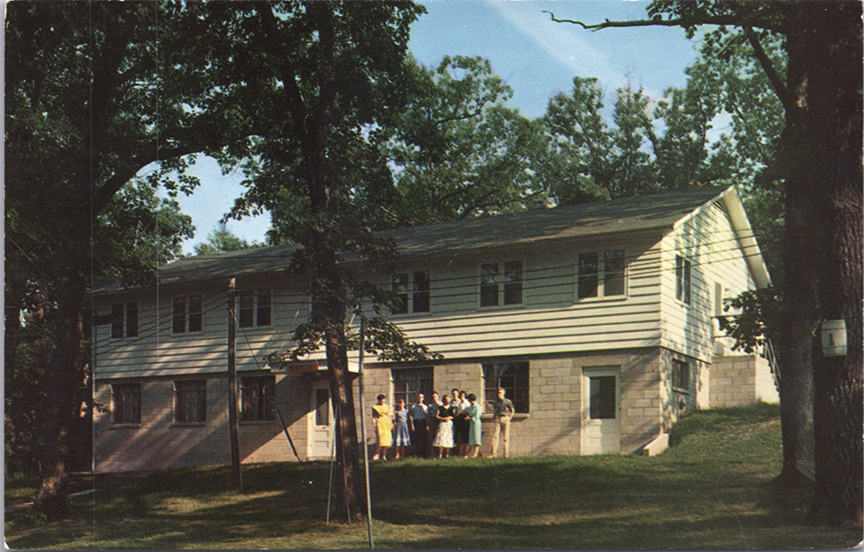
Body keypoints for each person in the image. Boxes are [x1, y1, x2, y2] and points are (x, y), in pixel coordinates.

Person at [490, 387, 514, 458]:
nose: (499, 394)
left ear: (503, 393)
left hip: (505, 418)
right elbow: (495, 410)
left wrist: (509, 418)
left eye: (500, 393)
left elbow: (512, 410)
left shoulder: (507, 401)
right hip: (498, 418)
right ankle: (493, 453)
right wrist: (494, 417)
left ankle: (506, 454)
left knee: (505, 437)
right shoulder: (495, 402)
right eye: (498, 393)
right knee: (495, 436)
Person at [372, 394, 392, 460]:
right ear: (378, 400)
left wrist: (390, 423)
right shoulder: (375, 407)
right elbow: (373, 417)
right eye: (381, 400)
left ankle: (383, 455)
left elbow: (389, 415)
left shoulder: (386, 406)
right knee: (380, 440)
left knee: (386, 441)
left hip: (386, 422)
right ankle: (376, 454)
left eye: (383, 400)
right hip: (380, 422)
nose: (382, 401)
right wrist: (374, 426)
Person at [409, 393, 429, 458]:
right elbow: (410, 416)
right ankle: (416, 454)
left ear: (423, 398)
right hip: (416, 422)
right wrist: (412, 425)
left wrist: (427, 425)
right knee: (416, 439)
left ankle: (423, 454)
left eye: (421, 397)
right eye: (419, 397)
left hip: (423, 422)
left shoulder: (425, 407)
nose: (420, 398)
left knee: (423, 439)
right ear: (417, 398)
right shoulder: (413, 407)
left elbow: (427, 416)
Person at [465, 393, 482, 457]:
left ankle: (475, 453)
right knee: (472, 437)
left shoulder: (477, 406)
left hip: (476, 423)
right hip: (471, 423)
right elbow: (467, 411)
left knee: (476, 437)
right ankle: (468, 453)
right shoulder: (470, 406)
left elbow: (477, 416)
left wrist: (470, 418)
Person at [455, 390, 470, 457]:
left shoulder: (467, 403)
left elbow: (468, 411)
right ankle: (459, 453)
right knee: (460, 436)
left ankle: (465, 453)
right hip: (460, 419)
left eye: (462, 396)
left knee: (465, 437)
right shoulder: (459, 403)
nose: (461, 397)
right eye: (460, 396)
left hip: (465, 419)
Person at [426, 391, 441, 457]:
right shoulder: (430, 406)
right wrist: (427, 424)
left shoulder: (441, 405)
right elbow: (427, 415)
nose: (434, 398)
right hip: (432, 421)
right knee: (432, 437)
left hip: (440, 421)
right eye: (433, 397)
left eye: (435, 396)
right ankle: (432, 453)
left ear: (437, 396)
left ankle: (439, 453)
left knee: (439, 437)